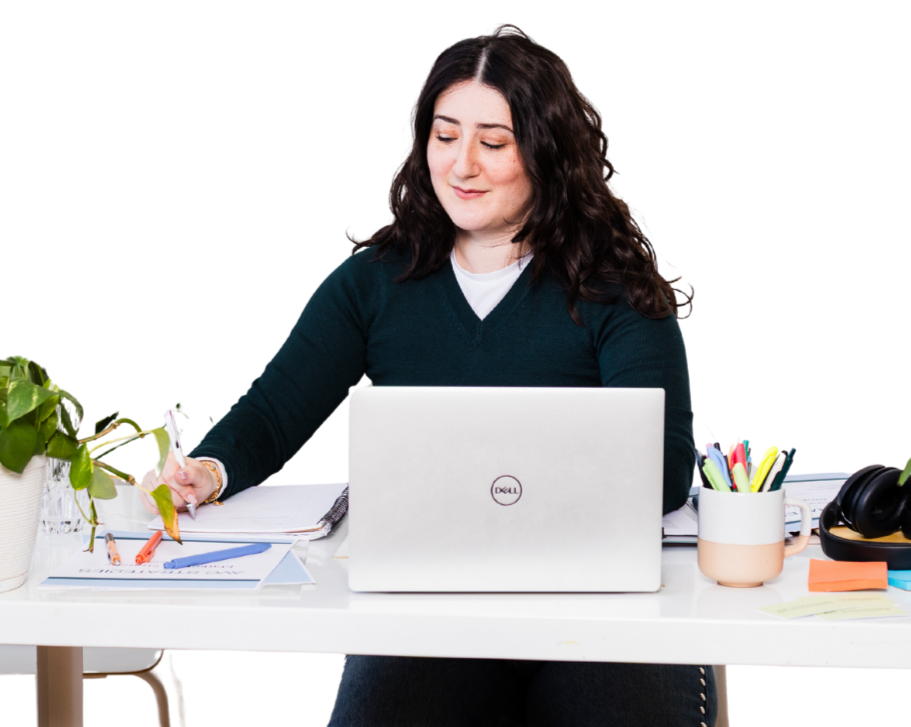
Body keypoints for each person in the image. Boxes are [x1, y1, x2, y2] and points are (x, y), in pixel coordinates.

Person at [137, 23, 717, 727]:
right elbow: (273, 410)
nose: (461, 165)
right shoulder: (375, 280)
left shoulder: (619, 288)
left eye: (493, 143)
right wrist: (207, 468)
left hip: (603, 609)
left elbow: (661, 469)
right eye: (444, 135)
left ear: (548, 153)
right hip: (429, 611)